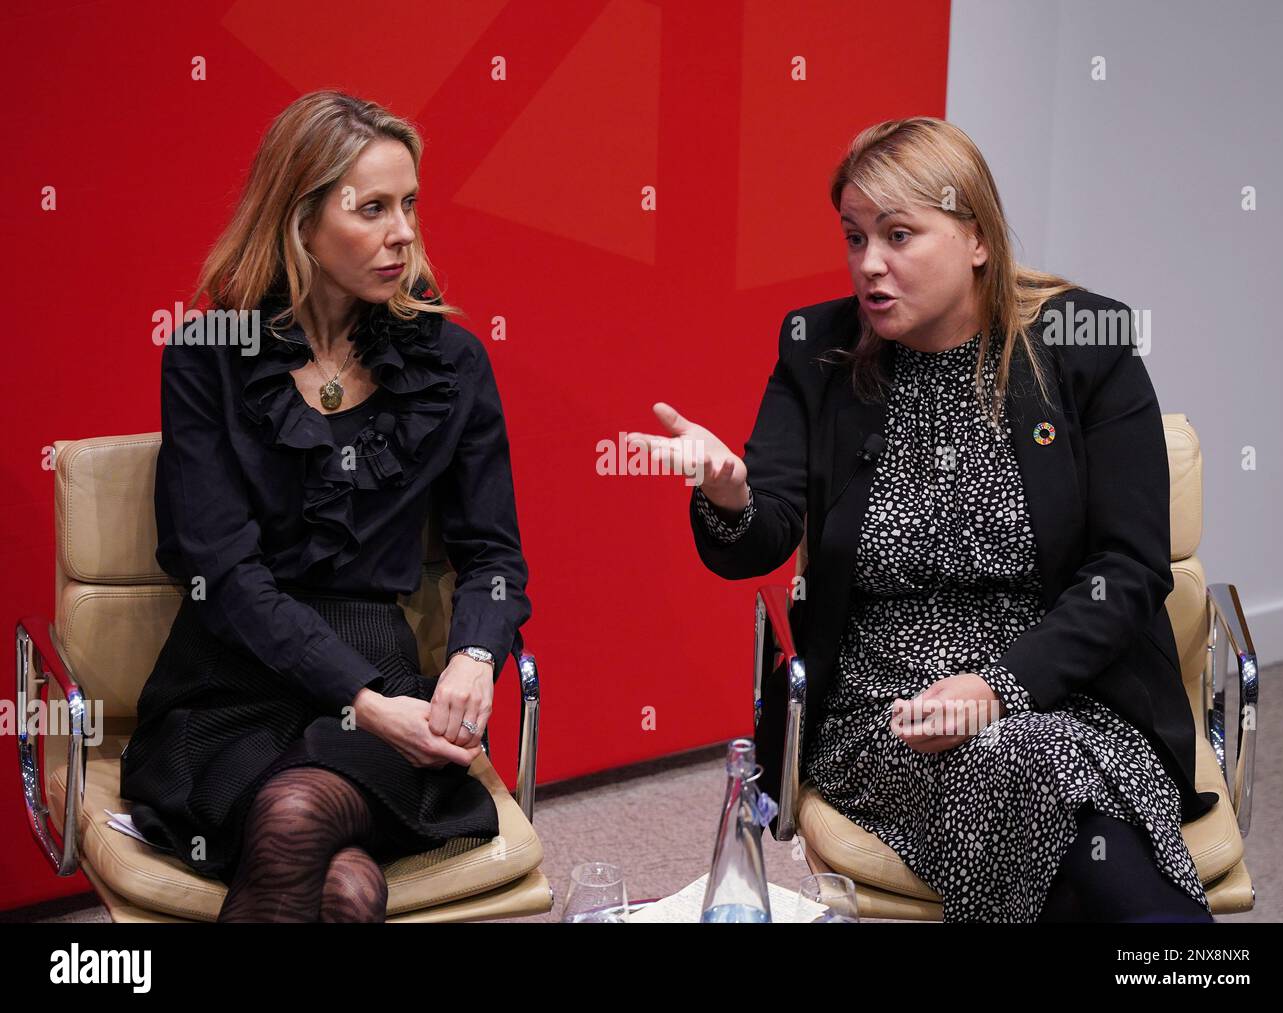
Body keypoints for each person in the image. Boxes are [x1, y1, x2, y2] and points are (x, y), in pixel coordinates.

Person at [626, 117, 1218, 923]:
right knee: (1047, 795)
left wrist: (998, 688)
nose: (869, 264)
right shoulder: (820, 348)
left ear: (976, 237)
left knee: (1036, 766)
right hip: (889, 710)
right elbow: (758, 542)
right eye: (855, 236)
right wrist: (729, 494)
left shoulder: (1087, 345)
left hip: (1069, 687)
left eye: (899, 235)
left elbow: (1129, 567)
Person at [119, 91, 531, 922]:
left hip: (382, 671)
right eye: (372, 209)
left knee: (299, 817)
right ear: (299, 220)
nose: (404, 232)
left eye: (409, 203)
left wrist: (475, 658)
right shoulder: (209, 354)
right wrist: (365, 703)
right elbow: (222, 573)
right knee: (342, 885)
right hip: (233, 678)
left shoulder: (452, 363)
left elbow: (492, 556)